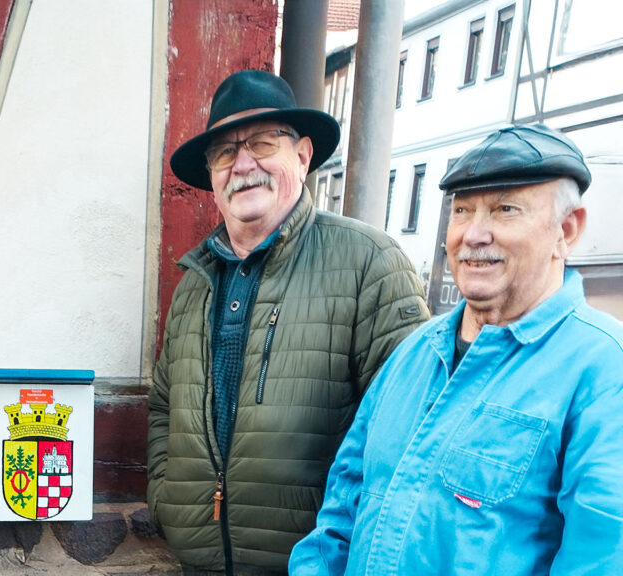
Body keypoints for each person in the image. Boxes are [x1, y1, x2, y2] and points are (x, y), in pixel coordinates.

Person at [289, 124, 623, 575]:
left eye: (505, 209)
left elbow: (601, 557)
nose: (473, 234)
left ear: (567, 229)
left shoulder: (603, 371)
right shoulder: (413, 352)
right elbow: (341, 511)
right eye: (462, 210)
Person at [146, 69, 429, 574]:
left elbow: (410, 428)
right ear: (212, 174)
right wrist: (167, 498)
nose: (243, 164)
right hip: (199, 565)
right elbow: (165, 405)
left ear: (301, 156)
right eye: (225, 153)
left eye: (261, 143)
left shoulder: (369, 262)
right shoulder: (194, 281)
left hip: (314, 566)